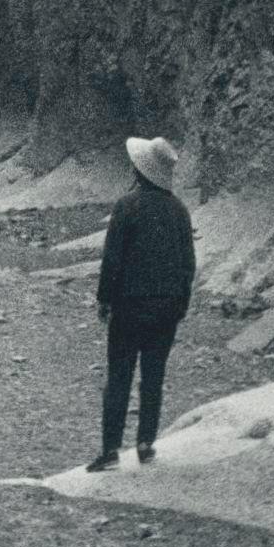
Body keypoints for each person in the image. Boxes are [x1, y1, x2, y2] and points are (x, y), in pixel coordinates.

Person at [86, 135, 195, 470]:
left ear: (141, 171)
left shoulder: (126, 206)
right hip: (166, 308)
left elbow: (112, 261)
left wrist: (104, 300)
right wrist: (181, 304)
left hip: (129, 306)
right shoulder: (179, 210)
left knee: (120, 375)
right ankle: (146, 445)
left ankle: (110, 452)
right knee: (153, 376)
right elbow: (188, 264)